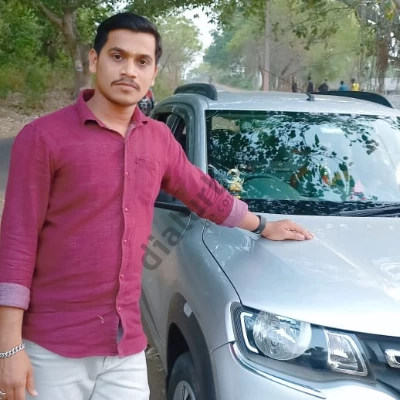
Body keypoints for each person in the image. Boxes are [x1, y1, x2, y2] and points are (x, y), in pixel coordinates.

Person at [0, 12, 313, 400]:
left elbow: (204, 193)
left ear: (153, 73)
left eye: (142, 61)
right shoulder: (43, 138)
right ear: (95, 60)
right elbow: (16, 244)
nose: (129, 70)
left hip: (125, 347)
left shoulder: (159, 139)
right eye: (118, 56)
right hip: (51, 347)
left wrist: (261, 224)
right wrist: (9, 348)